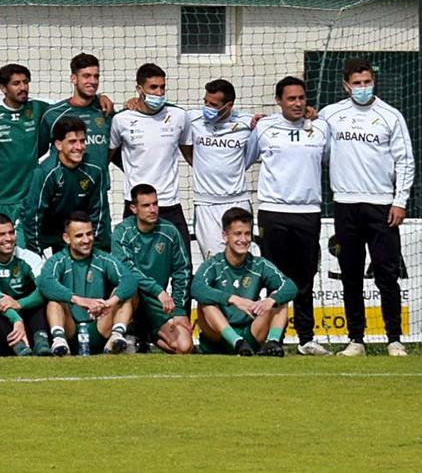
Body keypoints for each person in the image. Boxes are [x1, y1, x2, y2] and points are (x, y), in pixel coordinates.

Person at [319, 58, 415, 357]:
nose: (362, 88)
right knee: (350, 273)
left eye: (367, 82)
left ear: (374, 81)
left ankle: (394, 339)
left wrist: (400, 200)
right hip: (345, 204)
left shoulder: (391, 116)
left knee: (387, 273)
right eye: (357, 83)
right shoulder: (331, 115)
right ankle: (356, 340)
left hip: (382, 205)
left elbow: (405, 160)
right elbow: (319, 150)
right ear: (346, 85)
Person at [246, 76, 332, 356]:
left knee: (304, 278)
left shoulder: (320, 127)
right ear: (279, 101)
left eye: (301, 98)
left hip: (308, 212)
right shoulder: (265, 127)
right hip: (273, 212)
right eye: (291, 98)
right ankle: (274, 339)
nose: (297, 103)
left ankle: (307, 339)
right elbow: (246, 158)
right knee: (275, 280)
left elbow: (329, 159)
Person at [193, 208, 295, 356]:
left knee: (280, 297)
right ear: (225, 236)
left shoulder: (259, 264)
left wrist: (272, 300)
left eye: (247, 234)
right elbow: (196, 288)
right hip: (218, 335)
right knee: (205, 302)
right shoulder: (214, 264)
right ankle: (236, 342)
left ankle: (272, 344)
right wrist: (233, 299)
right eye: (237, 234)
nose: (243, 239)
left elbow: (290, 286)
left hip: (251, 332)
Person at [109, 62, 192, 246]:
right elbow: (107, 157)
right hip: (136, 206)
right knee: (133, 266)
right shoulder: (121, 120)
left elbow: (191, 156)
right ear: (139, 89)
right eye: (153, 87)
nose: (159, 93)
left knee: (184, 263)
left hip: (169, 204)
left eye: (162, 87)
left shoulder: (179, 116)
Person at [39, 53, 115, 250]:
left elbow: (114, 148)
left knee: (100, 254)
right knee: (65, 260)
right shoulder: (54, 114)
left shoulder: (105, 111)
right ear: (74, 79)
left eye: (96, 76)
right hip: (65, 199)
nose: (92, 81)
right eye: (86, 76)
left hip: (97, 198)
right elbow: (38, 153)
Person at [37, 212, 136, 356]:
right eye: (79, 236)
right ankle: (59, 342)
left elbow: (130, 280)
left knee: (123, 293)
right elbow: (45, 282)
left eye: (89, 234)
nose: (86, 240)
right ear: (67, 238)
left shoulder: (103, 258)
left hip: (100, 326)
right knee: (54, 300)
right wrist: (80, 301)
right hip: (70, 329)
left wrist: (109, 303)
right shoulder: (58, 260)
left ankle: (116, 338)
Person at [112, 184, 192, 355]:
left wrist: (178, 309)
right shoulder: (121, 232)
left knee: (184, 347)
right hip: (130, 298)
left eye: (155, 204)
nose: (153, 209)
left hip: (156, 303)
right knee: (129, 288)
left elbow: (182, 271)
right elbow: (128, 270)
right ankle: (123, 332)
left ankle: (148, 338)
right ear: (133, 208)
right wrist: (158, 291)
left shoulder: (170, 231)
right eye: (146, 205)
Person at [184, 79, 254, 259]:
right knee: (214, 261)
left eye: (213, 104)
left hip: (238, 201)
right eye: (205, 102)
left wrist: (309, 114)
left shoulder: (249, 122)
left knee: (240, 259)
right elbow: (166, 113)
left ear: (228, 106)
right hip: (206, 203)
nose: (207, 107)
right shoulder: (192, 119)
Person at [17, 116, 106, 255]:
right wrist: (35, 253)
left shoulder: (95, 169)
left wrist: (92, 248)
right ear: (59, 145)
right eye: (72, 142)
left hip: (68, 228)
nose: (78, 147)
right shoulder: (44, 172)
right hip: (37, 228)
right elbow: (32, 215)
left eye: (82, 141)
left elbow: (98, 213)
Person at [0, 64, 51, 221]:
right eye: (16, 83)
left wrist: (99, 98)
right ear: (3, 88)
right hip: (1, 197)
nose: (23, 87)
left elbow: (72, 105)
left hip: (31, 196)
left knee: (29, 244)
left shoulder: (38, 106)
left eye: (25, 82)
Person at [0, 214, 51, 356]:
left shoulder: (29, 257)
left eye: (11, 232)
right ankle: (18, 345)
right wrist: (16, 319)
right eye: (1, 234)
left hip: (24, 307)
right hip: (4, 313)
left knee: (40, 300)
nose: (8, 238)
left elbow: (46, 289)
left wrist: (19, 304)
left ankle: (41, 342)